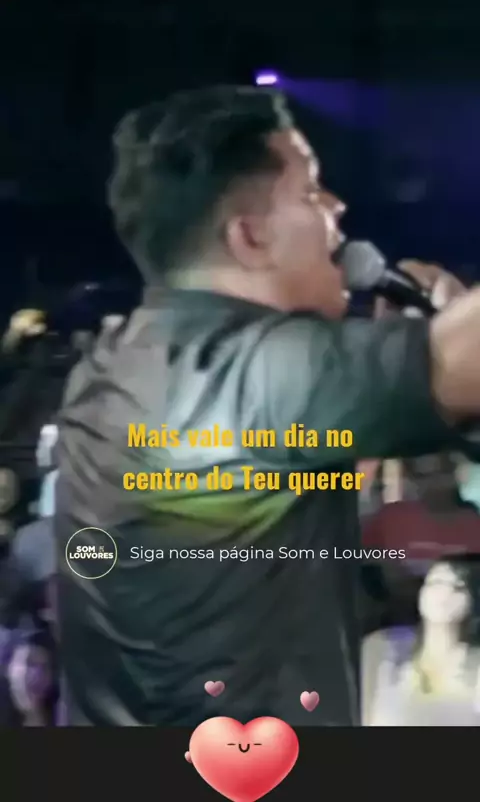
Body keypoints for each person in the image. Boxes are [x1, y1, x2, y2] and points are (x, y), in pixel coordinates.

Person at [54, 85, 480, 727]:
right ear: (250, 237)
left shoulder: (109, 365)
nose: (336, 207)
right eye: (310, 191)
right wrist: (446, 326)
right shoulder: (260, 371)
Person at [362, 555, 480, 725]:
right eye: (435, 582)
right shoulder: (381, 647)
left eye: (458, 587)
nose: (444, 593)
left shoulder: (476, 665)